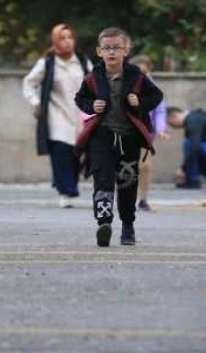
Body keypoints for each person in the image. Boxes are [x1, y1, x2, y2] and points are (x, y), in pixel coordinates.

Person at [74, 27, 163, 247]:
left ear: (126, 50)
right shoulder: (93, 76)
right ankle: (104, 222)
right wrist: (91, 105)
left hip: (129, 138)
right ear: (99, 51)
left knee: (127, 183)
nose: (111, 52)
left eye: (116, 48)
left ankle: (127, 226)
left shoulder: (136, 76)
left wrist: (139, 103)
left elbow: (156, 96)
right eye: (107, 48)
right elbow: (80, 98)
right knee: (102, 179)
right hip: (101, 136)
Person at [23, 24, 92, 208]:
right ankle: (65, 191)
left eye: (70, 37)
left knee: (76, 154)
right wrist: (35, 103)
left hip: (79, 115)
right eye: (62, 38)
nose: (67, 41)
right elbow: (28, 83)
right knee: (61, 152)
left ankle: (67, 185)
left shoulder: (83, 61)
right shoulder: (47, 62)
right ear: (55, 41)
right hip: (56, 114)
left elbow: (96, 82)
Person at [129, 56, 169, 212]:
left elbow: (160, 111)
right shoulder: (123, 87)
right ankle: (126, 197)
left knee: (144, 166)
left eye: (145, 72)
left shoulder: (153, 89)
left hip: (146, 132)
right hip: (127, 131)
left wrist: (160, 129)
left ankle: (143, 199)